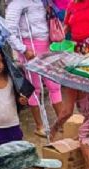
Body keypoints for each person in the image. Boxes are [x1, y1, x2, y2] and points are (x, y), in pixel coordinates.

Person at [5, 0, 66, 136]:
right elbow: (9, 31)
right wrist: (23, 49)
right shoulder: (16, 4)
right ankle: (39, 126)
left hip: (47, 44)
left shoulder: (42, 1)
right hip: (30, 47)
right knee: (35, 88)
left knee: (54, 84)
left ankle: (62, 123)